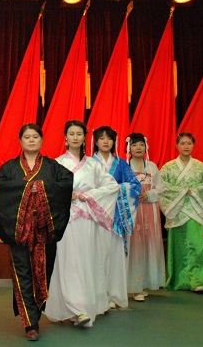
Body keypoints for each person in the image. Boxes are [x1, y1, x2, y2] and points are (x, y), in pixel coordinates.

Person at [0, 124, 73, 341]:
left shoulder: (53, 167)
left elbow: (66, 183)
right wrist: (28, 188)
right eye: (26, 137)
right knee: (22, 274)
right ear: (20, 141)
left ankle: (35, 313)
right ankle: (30, 323)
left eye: (35, 136)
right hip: (19, 232)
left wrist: (43, 187)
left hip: (45, 232)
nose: (31, 140)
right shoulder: (9, 168)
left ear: (41, 140)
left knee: (42, 274)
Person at [45, 120, 119, 328]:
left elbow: (111, 186)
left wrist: (89, 195)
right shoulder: (57, 163)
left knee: (88, 260)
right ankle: (75, 307)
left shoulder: (93, 165)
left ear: (85, 137)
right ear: (65, 137)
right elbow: (49, 189)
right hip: (66, 218)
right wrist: (67, 194)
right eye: (71, 133)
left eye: (79, 133)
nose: (75, 137)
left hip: (87, 217)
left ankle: (86, 306)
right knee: (69, 261)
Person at [159, 132, 203, 292]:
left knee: (196, 245)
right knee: (178, 247)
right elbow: (162, 186)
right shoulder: (168, 167)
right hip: (176, 210)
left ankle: (199, 280)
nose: (186, 146)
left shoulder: (201, 167)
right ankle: (179, 280)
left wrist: (193, 191)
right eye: (182, 143)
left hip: (194, 210)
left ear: (193, 145)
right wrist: (183, 191)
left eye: (189, 143)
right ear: (176, 145)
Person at [92, 126, 141, 310]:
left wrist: (118, 189)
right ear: (95, 141)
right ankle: (97, 295)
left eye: (109, 138)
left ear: (114, 142)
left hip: (116, 216)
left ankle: (113, 294)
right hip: (95, 216)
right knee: (96, 255)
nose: (106, 141)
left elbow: (135, 186)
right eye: (101, 138)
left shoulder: (121, 164)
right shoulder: (89, 163)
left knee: (113, 256)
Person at [124, 133, 166, 301]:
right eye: (134, 145)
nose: (138, 148)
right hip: (132, 211)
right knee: (135, 246)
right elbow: (119, 187)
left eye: (141, 144)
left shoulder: (152, 167)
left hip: (150, 210)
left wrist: (149, 194)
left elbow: (161, 187)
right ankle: (134, 286)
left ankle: (144, 282)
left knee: (149, 243)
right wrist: (133, 194)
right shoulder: (125, 166)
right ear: (129, 148)